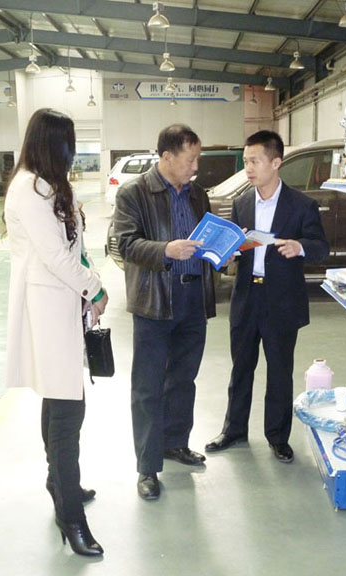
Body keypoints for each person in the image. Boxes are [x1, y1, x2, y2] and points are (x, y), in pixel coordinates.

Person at [4, 108, 108, 556]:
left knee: (61, 399)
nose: (73, 152)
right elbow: (54, 256)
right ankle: (71, 516)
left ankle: (59, 483)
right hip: (46, 310)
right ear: (53, 145)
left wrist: (88, 282)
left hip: (63, 306)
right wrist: (95, 289)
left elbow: (75, 248)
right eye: (69, 144)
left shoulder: (48, 185)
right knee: (67, 410)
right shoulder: (28, 189)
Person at [205, 130, 329, 463]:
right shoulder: (242, 203)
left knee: (279, 372)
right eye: (246, 161)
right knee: (241, 368)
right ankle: (233, 430)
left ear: (276, 163)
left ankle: (277, 437)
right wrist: (228, 254)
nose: (248, 168)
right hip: (247, 295)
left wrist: (300, 246)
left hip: (282, 300)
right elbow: (236, 248)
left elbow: (321, 247)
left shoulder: (301, 205)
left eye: (255, 161)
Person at [114, 124, 216, 500]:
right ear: (168, 157)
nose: (196, 167)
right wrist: (165, 250)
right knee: (148, 387)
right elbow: (126, 244)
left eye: (198, 159)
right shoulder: (133, 193)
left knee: (183, 380)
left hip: (193, 299)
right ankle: (147, 466)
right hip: (154, 302)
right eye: (191, 159)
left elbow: (205, 240)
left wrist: (223, 251)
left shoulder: (198, 195)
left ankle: (175, 443)